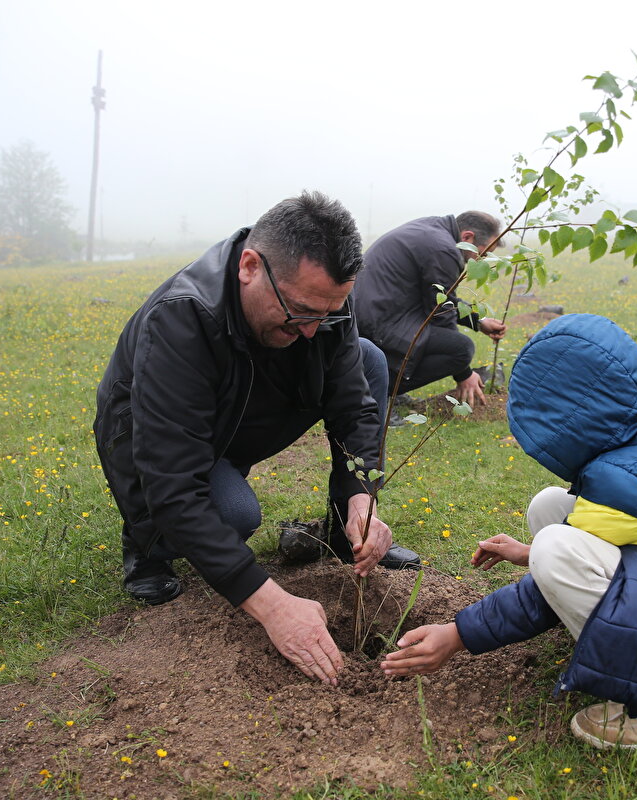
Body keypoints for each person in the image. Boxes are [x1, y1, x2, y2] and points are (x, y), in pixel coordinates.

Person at [382, 314, 637, 750]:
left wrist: (457, 634)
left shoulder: (628, 484)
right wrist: (527, 554)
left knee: (554, 546)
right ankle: (617, 639)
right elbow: (621, 537)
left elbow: (546, 583)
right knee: (550, 506)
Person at [94, 191, 419, 686]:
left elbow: (355, 406)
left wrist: (360, 497)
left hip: (243, 405)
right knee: (232, 517)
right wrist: (272, 607)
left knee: (368, 358)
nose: (315, 330)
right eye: (302, 312)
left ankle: (341, 530)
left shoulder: (320, 303)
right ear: (249, 266)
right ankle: (148, 545)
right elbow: (173, 480)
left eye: (329, 313)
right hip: (155, 433)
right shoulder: (183, 317)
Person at [352, 213, 508, 414]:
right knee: (460, 348)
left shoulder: (435, 231)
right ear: (468, 238)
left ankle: (387, 390)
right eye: (483, 252)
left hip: (375, 311)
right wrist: (463, 374)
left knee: (449, 343)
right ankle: (375, 395)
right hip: (379, 320)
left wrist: (478, 321)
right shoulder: (444, 249)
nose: (481, 259)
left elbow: (440, 299)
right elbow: (441, 314)